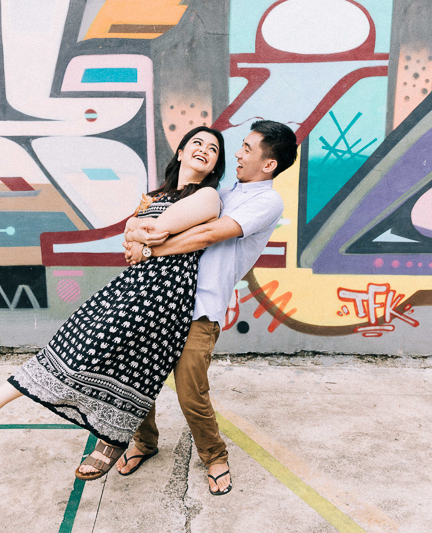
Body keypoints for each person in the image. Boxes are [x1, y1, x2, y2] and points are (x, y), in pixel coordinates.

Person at [0, 126, 227, 481]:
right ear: (180, 152)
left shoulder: (208, 196)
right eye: (197, 143)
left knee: (99, 351)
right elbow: (133, 233)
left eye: (213, 149)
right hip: (133, 285)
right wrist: (137, 231)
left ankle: (101, 436)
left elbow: (153, 230)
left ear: (215, 165)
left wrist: (139, 232)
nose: (204, 149)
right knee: (74, 342)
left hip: (163, 292)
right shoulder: (157, 194)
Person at [120, 120, 297, 495]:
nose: (238, 153)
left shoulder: (267, 201)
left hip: (202, 306)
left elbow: (208, 234)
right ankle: (144, 442)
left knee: (190, 391)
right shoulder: (221, 192)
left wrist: (147, 249)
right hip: (162, 298)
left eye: (247, 148)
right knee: (138, 377)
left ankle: (215, 456)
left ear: (268, 164)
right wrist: (136, 235)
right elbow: (157, 222)